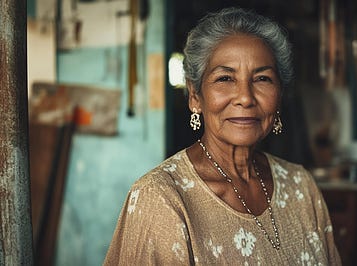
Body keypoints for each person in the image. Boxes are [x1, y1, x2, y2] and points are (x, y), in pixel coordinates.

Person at [104, 7, 341, 265]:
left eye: (262, 78)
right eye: (225, 78)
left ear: (279, 96)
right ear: (195, 96)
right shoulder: (161, 198)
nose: (245, 98)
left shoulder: (301, 187)